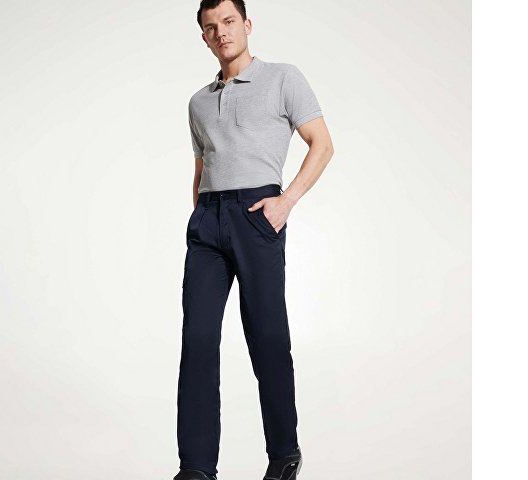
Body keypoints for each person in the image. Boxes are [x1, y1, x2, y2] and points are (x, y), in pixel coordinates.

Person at [174, 1, 334, 479]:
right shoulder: (198, 102)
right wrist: (200, 216)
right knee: (198, 339)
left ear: (246, 25)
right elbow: (202, 167)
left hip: (257, 214)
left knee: (266, 336)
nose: (221, 32)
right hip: (208, 220)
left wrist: (285, 202)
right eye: (210, 27)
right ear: (204, 38)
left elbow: (322, 144)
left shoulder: (283, 78)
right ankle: (196, 467)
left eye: (228, 22)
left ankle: (284, 453)